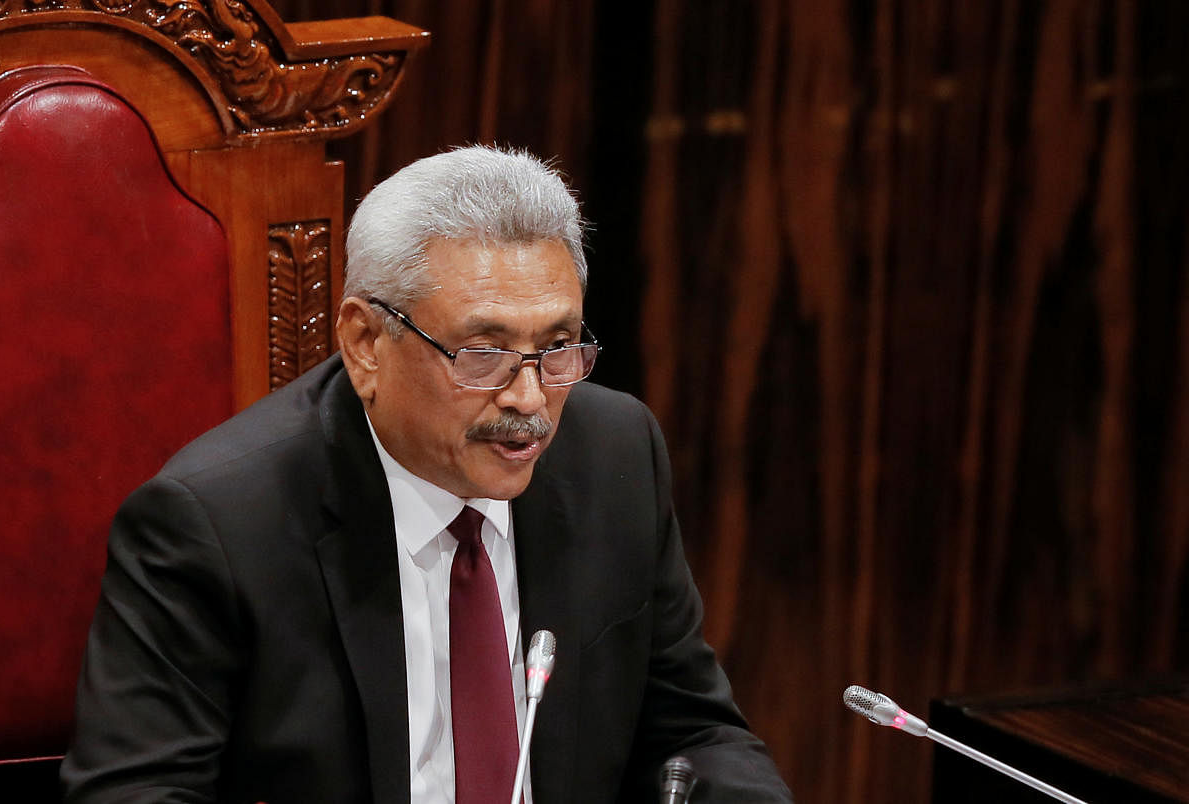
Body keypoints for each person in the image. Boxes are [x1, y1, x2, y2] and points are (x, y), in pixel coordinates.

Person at [61, 146, 793, 803]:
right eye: (483, 354)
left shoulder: (614, 457)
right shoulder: (215, 526)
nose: (530, 400)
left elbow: (693, 735)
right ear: (366, 343)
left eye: (558, 346)